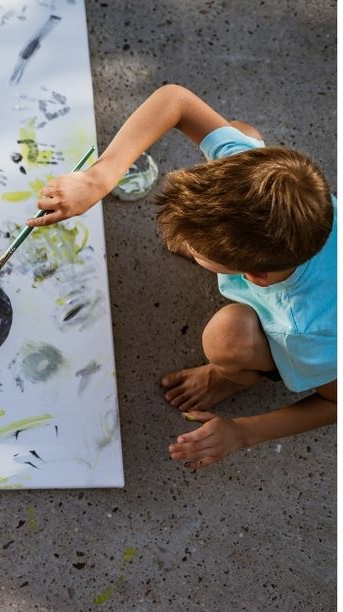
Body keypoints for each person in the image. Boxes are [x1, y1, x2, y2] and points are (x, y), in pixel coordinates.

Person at [26, 84, 336, 469]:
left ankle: (235, 375)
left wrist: (242, 432)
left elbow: (334, 402)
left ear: (254, 275)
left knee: (228, 338)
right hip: (274, 252)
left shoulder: (308, 330)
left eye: (196, 250)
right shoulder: (259, 176)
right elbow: (175, 100)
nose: (183, 246)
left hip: (310, 323)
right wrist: (98, 178)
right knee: (241, 132)